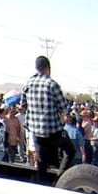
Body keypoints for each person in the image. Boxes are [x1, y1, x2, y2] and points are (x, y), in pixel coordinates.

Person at [21, 55, 72, 183]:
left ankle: (42, 186)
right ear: (48, 68)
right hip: (53, 131)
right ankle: (59, 178)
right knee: (69, 151)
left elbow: (23, 106)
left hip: (36, 132)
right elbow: (63, 108)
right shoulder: (52, 84)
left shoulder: (27, 84)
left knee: (41, 164)